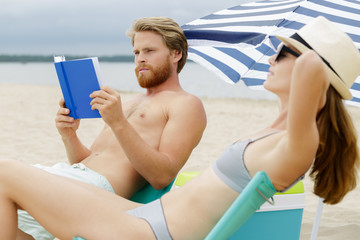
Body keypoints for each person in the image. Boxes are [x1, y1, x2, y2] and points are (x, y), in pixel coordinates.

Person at [1, 16, 359, 240]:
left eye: (281, 54)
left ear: (312, 74)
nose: (270, 58)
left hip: (147, 231)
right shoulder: (273, 132)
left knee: (3, 173)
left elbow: (312, 62)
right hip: (139, 215)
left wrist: (315, 47)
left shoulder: (295, 144)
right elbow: (310, 66)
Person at [15, 17, 207, 239]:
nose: (140, 59)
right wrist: (69, 136)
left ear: (176, 54)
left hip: (98, 198)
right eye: (136, 53)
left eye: (149, 51)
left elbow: (162, 176)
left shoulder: (186, 104)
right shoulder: (129, 103)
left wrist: (118, 122)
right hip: (75, 182)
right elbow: (89, 164)